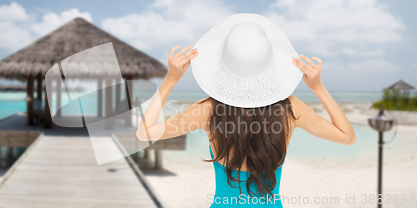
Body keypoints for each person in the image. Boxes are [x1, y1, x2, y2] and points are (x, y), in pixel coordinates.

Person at [136, 14, 356, 207]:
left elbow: (144, 133)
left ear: (224, 65)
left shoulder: (208, 110)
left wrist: (170, 80)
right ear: (270, 66)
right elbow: (347, 136)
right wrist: (318, 87)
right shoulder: (290, 109)